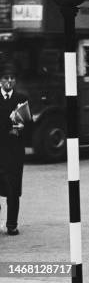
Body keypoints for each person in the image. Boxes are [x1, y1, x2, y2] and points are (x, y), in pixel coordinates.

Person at [0, 62, 28, 235]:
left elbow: (27, 123)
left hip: (14, 151)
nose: (9, 81)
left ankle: (12, 225)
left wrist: (19, 128)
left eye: (12, 78)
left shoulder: (21, 98)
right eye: (6, 78)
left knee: (13, 190)